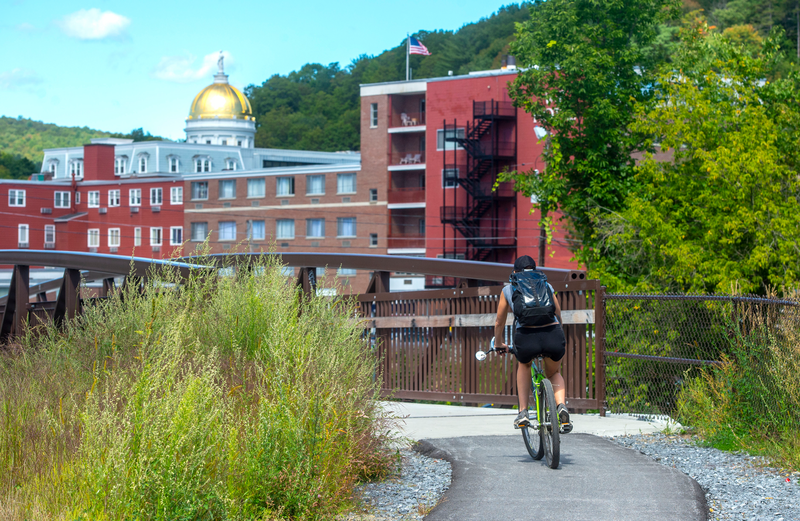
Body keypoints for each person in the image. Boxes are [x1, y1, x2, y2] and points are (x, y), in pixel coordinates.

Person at [494, 255, 573, 433]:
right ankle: (561, 406)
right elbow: (558, 313)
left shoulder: (508, 288)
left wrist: (499, 344)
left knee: (524, 365)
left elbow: (499, 322)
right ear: (535, 270)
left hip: (526, 337)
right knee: (554, 373)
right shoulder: (545, 284)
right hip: (553, 334)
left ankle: (523, 412)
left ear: (514, 272)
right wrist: (558, 333)